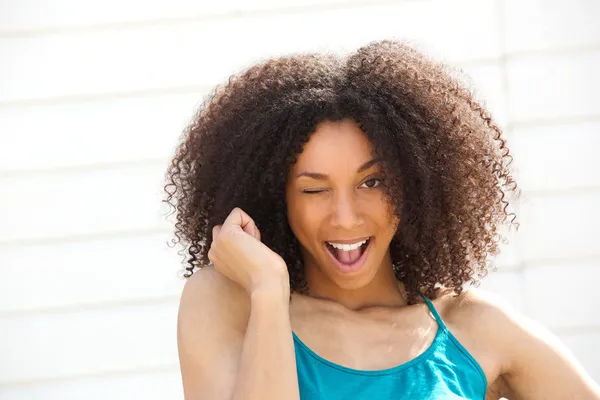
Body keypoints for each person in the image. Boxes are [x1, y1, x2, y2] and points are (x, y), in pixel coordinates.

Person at [164, 40, 600, 399]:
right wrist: (267, 288)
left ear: (415, 183)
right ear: (276, 198)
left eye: (372, 183)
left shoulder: (475, 329)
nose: (347, 216)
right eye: (315, 189)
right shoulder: (229, 303)